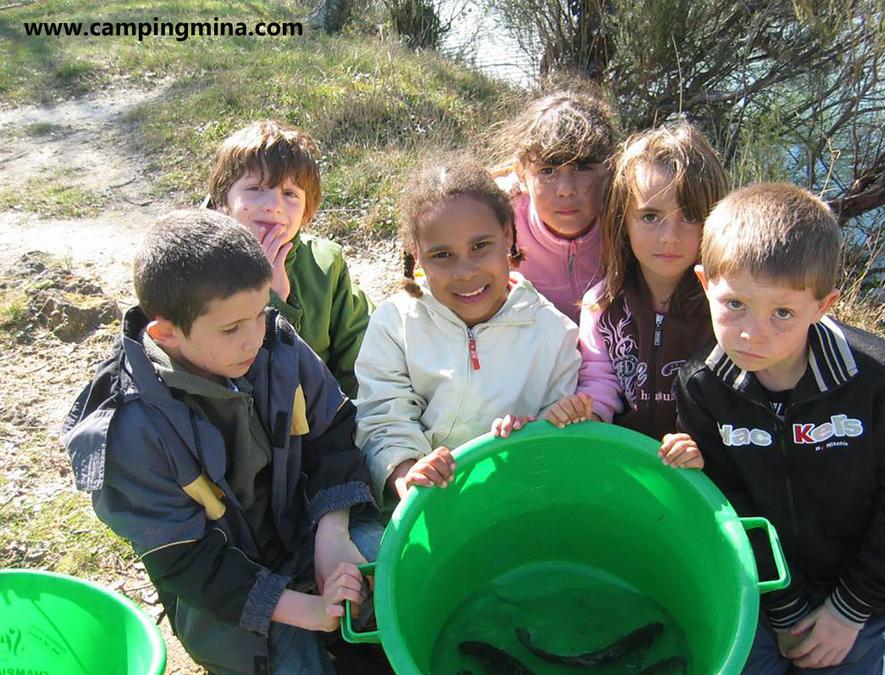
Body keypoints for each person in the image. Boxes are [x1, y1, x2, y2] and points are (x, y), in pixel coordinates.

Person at [61, 210, 383, 675]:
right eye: (232, 329)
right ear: (166, 334)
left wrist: (332, 533)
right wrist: (305, 610)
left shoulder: (275, 344)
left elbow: (332, 433)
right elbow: (188, 562)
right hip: (229, 599)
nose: (254, 338)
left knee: (396, 570)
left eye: (260, 313)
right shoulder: (131, 430)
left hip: (308, 534)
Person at [669, 183, 885, 672]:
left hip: (865, 593)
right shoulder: (702, 387)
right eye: (735, 304)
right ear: (705, 282)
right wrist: (786, 608)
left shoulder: (877, 377)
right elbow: (730, 507)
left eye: (782, 313)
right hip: (764, 587)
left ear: (823, 305)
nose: (752, 333)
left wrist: (848, 611)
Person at [353, 156, 581, 505]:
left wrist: (533, 433)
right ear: (418, 255)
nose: (465, 272)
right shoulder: (395, 322)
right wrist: (408, 473)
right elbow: (383, 419)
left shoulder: (554, 334)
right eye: (442, 255)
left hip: (516, 502)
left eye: (480, 246)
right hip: (419, 506)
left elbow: (556, 443)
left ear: (508, 235)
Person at [545, 121, 727, 460]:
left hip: (703, 468)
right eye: (650, 217)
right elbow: (600, 383)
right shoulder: (602, 305)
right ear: (622, 220)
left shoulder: (725, 305)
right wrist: (586, 411)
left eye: (689, 216)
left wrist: (705, 449)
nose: (669, 237)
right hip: (625, 464)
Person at [207, 120, 372, 397]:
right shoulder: (197, 267)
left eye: (289, 194)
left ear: (306, 211)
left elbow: (361, 359)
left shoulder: (325, 265)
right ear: (223, 201)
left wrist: (357, 417)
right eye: (256, 189)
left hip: (321, 413)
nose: (273, 206)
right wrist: (270, 303)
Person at [491, 82, 615, 322]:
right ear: (521, 173)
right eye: (547, 171)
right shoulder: (495, 216)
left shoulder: (629, 218)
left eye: (582, 167)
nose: (566, 190)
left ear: (608, 169)